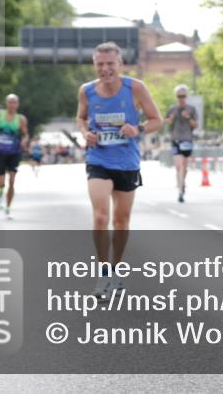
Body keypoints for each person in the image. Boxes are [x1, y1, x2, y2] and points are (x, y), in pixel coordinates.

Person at [77, 41, 162, 298]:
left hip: (126, 161)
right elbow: (80, 117)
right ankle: (103, 274)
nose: (105, 69)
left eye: (110, 64)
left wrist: (138, 129)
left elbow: (156, 119)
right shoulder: (87, 91)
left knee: (121, 220)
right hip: (98, 158)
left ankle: (116, 269)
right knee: (101, 217)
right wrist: (85, 133)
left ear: (120, 64)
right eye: (100, 64)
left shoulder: (135, 88)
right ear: (95, 65)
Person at [0, 95, 29, 219]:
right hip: (0, 151)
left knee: (12, 181)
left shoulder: (20, 119)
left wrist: (23, 141)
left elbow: (25, 134)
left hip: (14, 152)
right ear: (6, 103)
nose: (12, 105)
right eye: (10, 102)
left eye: (14, 102)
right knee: (1, 182)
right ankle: (0, 191)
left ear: (18, 104)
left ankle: (8, 207)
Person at [165, 85, 198, 202]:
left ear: (187, 96)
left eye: (183, 96)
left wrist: (189, 118)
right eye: (179, 96)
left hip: (187, 140)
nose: (181, 98)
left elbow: (196, 125)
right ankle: (180, 191)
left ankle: (182, 183)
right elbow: (165, 121)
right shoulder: (172, 109)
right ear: (176, 97)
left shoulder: (191, 109)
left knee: (185, 166)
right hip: (176, 140)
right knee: (179, 166)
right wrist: (171, 119)